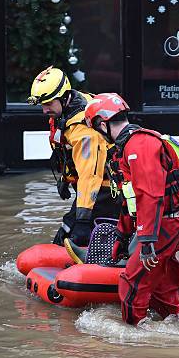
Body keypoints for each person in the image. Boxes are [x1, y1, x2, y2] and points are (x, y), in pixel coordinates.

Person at [84, 93, 179, 325]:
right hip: (169, 222)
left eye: (97, 129)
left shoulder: (139, 145)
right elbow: (131, 200)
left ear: (103, 124)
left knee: (131, 281)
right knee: (161, 283)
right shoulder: (129, 146)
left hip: (168, 222)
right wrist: (122, 238)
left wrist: (146, 242)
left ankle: (133, 337)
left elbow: (150, 195)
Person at [27, 66, 120, 246]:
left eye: (48, 104)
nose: (44, 110)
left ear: (63, 97)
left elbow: (90, 175)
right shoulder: (67, 109)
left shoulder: (84, 130)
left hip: (106, 191)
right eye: (42, 105)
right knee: (69, 233)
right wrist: (65, 179)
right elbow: (69, 153)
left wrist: (83, 220)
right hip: (95, 189)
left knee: (69, 236)